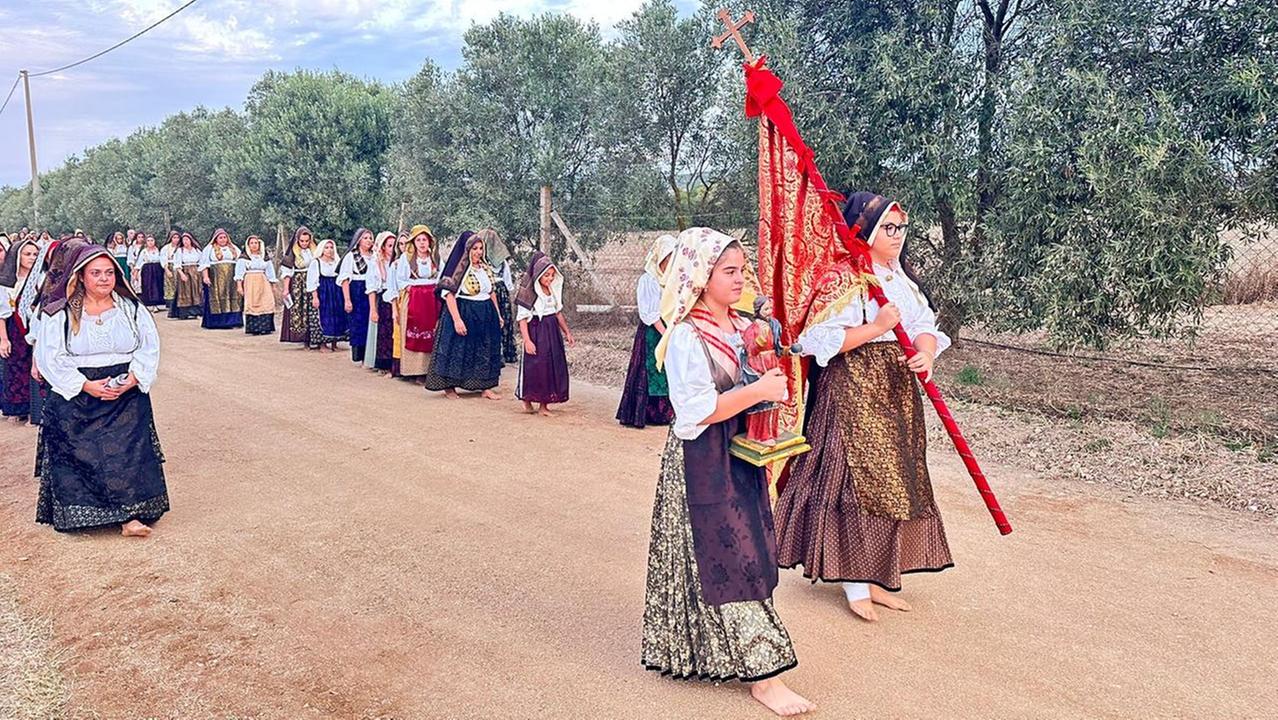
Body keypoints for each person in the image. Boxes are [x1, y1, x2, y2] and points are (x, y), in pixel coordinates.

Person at [640, 227, 814, 717]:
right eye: (729, 272)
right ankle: (766, 676)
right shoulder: (686, 337)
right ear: (701, 275)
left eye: (743, 270)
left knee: (738, 550)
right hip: (703, 461)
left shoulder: (739, 325)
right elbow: (694, 412)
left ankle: (705, 653)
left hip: (740, 453)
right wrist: (760, 391)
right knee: (731, 554)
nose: (741, 280)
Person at [774, 192, 953, 622]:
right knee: (855, 482)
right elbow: (821, 341)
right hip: (852, 391)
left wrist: (925, 354)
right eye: (888, 228)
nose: (897, 236)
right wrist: (875, 328)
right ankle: (855, 580)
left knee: (897, 479)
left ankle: (876, 577)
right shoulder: (844, 278)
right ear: (865, 232)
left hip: (897, 391)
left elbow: (924, 325)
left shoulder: (899, 278)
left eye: (901, 228)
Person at [33, 243, 168, 537]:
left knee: (127, 454)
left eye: (109, 272)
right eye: (96, 273)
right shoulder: (60, 312)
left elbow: (149, 347)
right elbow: (49, 356)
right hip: (79, 393)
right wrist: (85, 385)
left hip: (126, 392)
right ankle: (90, 513)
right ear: (81, 276)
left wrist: (133, 379)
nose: (104, 279)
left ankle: (129, 517)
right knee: (84, 454)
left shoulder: (130, 308)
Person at [423, 229, 504, 399]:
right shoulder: (457, 269)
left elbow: (491, 292)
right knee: (457, 350)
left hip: (485, 312)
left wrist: (497, 314)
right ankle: (449, 387)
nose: (478, 252)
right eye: (474, 249)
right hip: (464, 310)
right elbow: (448, 294)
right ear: (467, 250)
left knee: (484, 349)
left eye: (481, 248)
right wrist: (457, 320)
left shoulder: (484, 268)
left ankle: (485, 386)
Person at [616, 234, 678, 428]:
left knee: (670, 369)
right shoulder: (648, 280)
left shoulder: (674, 280)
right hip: (653, 330)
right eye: (667, 258)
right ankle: (648, 412)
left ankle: (668, 412)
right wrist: (665, 333)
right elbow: (649, 313)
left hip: (671, 328)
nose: (670, 262)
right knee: (652, 368)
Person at [514, 251, 573, 416]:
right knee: (536, 366)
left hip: (552, 333)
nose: (549, 279)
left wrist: (567, 332)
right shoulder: (529, 293)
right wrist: (527, 341)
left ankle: (543, 405)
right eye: (546, 275)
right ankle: (529, 399)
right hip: (536, 333)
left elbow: (558, 313)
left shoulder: (552, 291)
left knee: (551, 366)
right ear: (538, 275)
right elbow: (522, 319)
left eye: (552, 275)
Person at [384, 225, 439, 379]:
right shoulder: (405, 259)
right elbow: (400, 280)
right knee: (414, 331)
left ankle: (429, 370)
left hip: (431, 300)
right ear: (413, 242)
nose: (422, 243)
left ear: (430, 242)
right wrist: (414, 289)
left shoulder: (435, 259)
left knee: (431, 332)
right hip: (414, 299)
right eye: (418, 240)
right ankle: (414, 370)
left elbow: (441, 278)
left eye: (425, 240)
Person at [0, 236, 39, 422]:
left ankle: (36, 409)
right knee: (16, 368)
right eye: (27, 254)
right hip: (15, 329)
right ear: (17, 256)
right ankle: (17, 409)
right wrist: (4, 338)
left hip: (37, 327)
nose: (31, 257)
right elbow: (2, 312)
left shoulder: (43, 279)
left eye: (35, 254)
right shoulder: (7, 281)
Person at [361, 231, 397, 373]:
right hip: (384, 298)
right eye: (389, 246)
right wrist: (373, 310)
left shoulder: (400, 262)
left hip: (398, 298)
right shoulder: (375, 264)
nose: (392, 249)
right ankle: (385, 365)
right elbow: (371, 288)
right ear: (383, 247)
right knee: (384, 333)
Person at [339, 228, 375, 363]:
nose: (368, 241)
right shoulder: (352, 256)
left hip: (372, 290)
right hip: (357, 290)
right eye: (365, 238)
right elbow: (345, 279)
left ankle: (370, 354)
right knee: (358, 323)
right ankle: (359, 354)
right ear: (359, 240)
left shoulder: (375, 255)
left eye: (370, 238)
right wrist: (347, 300)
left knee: (371, 321)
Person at [306, 238, 347, 352]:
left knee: (337, 315)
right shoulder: (316, 263)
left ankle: (335, 342)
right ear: (321, 249)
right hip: (324, 292)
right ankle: (323, 344)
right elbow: (312, 281)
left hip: (336, 292)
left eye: (331, 247)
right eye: (326, 247)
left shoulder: (337, 262)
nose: (329, 250)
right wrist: (315, 297)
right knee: (325, 316)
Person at [199, 228, 244, 329]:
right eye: (220, 238)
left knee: (233, 298)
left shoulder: (234, 248)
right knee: (217, 298)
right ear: (216, 239)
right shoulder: (209, 248)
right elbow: (204, 264)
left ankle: (234, 321)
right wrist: (205, 276)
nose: (223, 240)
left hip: (231, 278)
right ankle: (218, 322)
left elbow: (241, 262)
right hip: (216, 277)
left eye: (224, 237)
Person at [279, 226, 316, 345]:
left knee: (313, 308)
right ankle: (302, 337)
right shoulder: (292, 253)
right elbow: (287, 273)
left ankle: (315, 336)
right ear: (297, 240)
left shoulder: (315, 250)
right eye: (302, 241)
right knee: (299, 309)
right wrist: (286, 289)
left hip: (313, 281)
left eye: (307, 241)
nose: (304, 243)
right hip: (298, 284)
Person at [235, 235, 278, 336]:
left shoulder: (264, 257)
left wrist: (273, 285)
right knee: (253, 302)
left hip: (263, 281)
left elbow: (270, 271)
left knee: (266, 301)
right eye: (252, 243)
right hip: (250, 281)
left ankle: (266, 327)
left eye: (256, 243)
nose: (254, 245)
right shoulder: (244, 258)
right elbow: (239, 272)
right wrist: (239, 286)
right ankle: (254, 328)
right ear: (248, 245)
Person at [487, 234, 519, 365]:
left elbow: (508, 282)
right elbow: (508, 283)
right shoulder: (482, 262)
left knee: (502, 322)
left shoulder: (502, 263)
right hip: (492, 293)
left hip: (498, 292)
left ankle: (502, 354)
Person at [169, 232, 203, 319]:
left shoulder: (197, 250)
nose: (185, 242)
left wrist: (201, 273)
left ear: (191, 240)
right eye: (183, 240)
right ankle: (185, 313)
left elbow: (202, 262)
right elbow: (177, 264)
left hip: (196, 272)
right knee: (185, 291)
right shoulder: (180, 251)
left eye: (187, 239)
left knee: (196, 291)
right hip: (185, 271)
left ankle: (196, 312)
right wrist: (182, 274)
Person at [137, 234, 166, 309]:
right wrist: (136, 271)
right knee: (148, 285)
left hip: (157, 268)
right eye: (148, 241)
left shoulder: (158, 250)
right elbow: (139, 262)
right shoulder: (143, 251)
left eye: (152, 240)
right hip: (147, 269)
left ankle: (159, 303)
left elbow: (163, 260)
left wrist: (165, 268)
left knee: (158, 285)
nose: (150, 242)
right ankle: (149, 303)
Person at [160, 230, 180, 306]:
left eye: (178, 237)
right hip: (170, 266)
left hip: (179, 267)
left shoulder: (180, 247)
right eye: (174, 237)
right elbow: (163, 259)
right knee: (169, 285)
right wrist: (166, 269)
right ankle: (170, 302)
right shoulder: (166, 248)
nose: (176, 239)